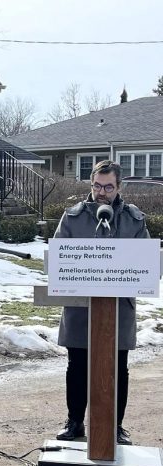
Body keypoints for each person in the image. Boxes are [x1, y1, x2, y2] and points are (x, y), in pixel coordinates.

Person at [53, 160, 150, 445]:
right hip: (81, 308)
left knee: (118, 367)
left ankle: (115, 426)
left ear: (119, 187)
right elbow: (59, 260)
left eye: (108, 187)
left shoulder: (133, 219)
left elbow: (144, 264)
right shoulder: (72, 218)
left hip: (118, 310)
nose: (102, 193)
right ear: (90, 184)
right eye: (97, 185)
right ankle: (74, 422)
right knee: (77, 365)